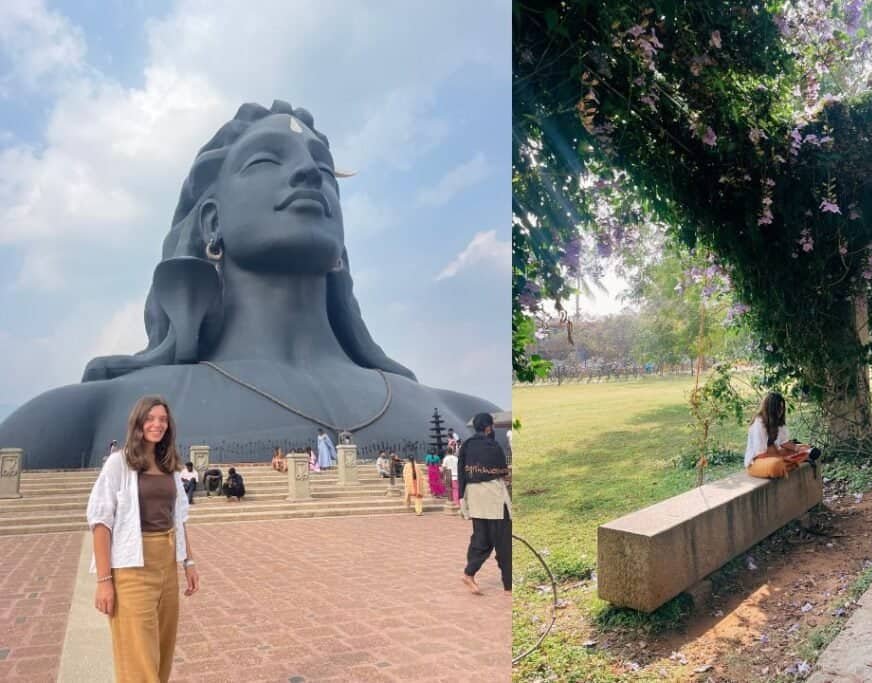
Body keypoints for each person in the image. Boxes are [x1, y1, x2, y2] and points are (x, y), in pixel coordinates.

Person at [0, 100, 501, 469]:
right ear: (212, 224)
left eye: (324, 168)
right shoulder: (76, 419)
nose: (309, 172)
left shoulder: (466, 411)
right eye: (266, 160)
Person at [86, 395, 199, 682]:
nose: (157, 424)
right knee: (137, 655)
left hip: (167, 564)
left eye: (162, 419)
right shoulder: (118, 463)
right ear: (138, 422)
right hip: (132, 568)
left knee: (162, 649)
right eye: (150, 418)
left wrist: (189, 561)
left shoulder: (168, 466)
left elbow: (179, 516)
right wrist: (104, 582)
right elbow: (101, 521)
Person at [458, 412, 512, 594]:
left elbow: (462, 474)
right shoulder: (493, 445)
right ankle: (509, 585)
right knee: (504, 541)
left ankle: (469, 573)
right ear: (488, 427)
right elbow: (502, 472)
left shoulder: (466, 446)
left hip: (475, 499)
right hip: (494, 499)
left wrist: (462, 501)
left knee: (481, 538)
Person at [744, 392, 821, 479]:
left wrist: (798, 448)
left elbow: (784, 442)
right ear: (770, 409)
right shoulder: (759, 423)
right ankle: (789, 462)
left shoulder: (778, 421)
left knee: (806, 448)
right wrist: (783, 458)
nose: (780, 412)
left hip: (776, 454)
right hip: (757, 462)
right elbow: (760, 454)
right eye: (778, 409)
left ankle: (791, 462)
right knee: (776, 465)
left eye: (782, 408)